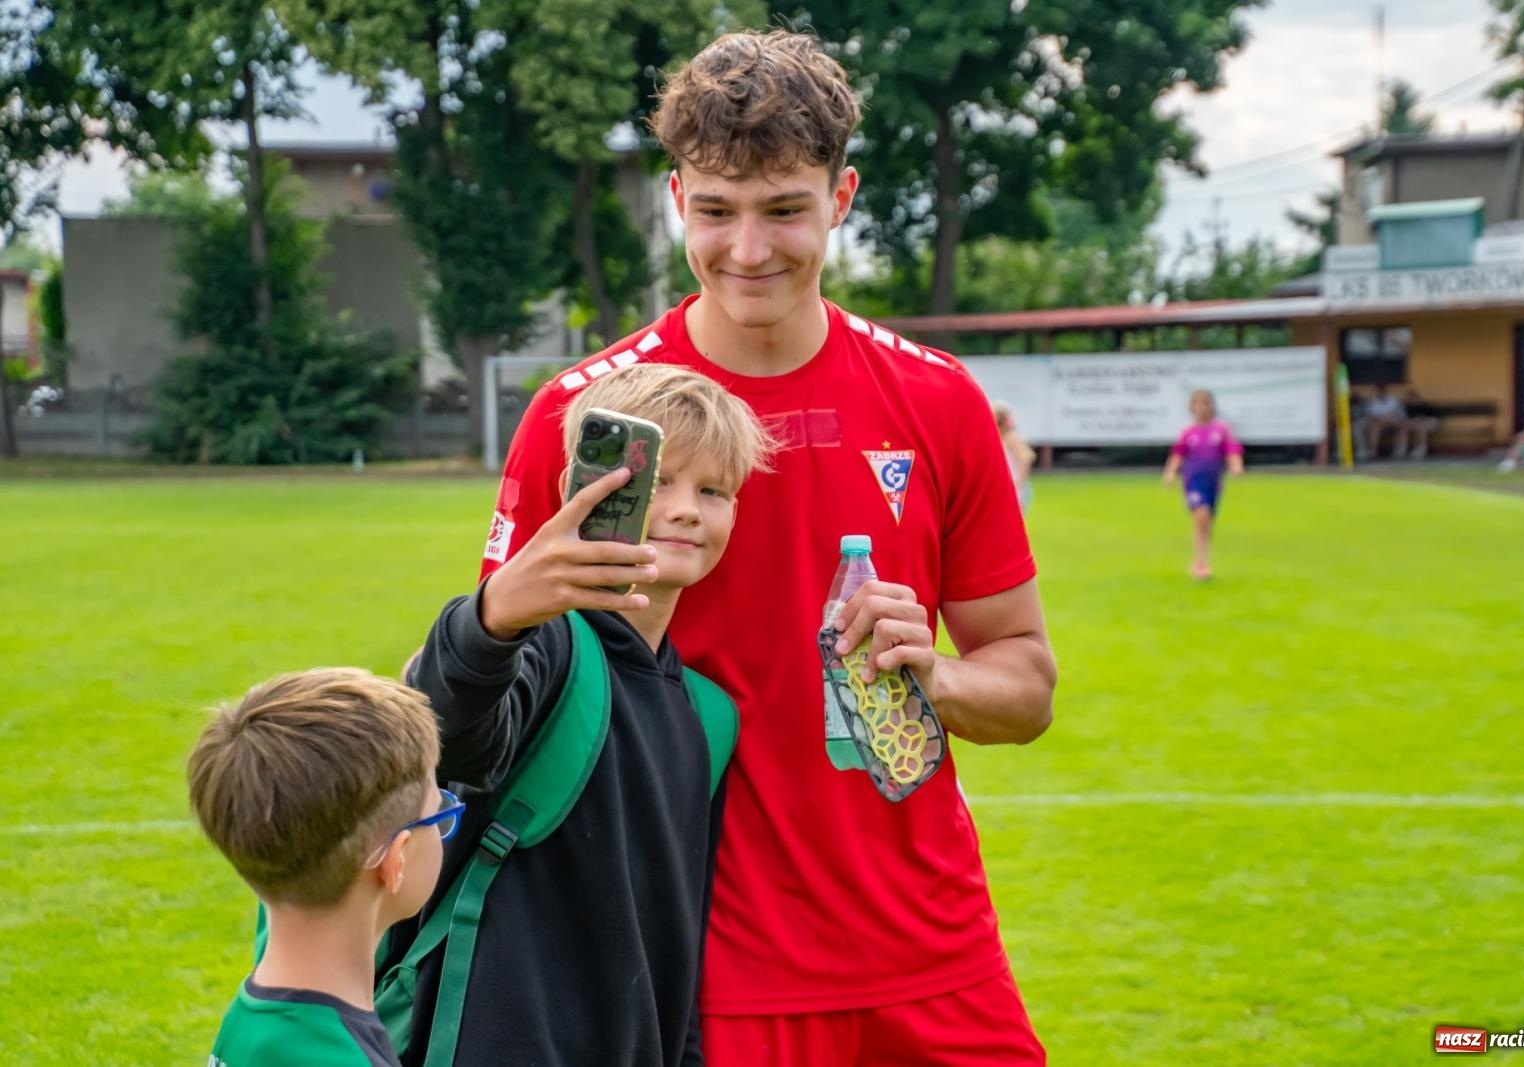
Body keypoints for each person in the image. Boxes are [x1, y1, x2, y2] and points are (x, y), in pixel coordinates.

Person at [483, 30, 1056, 1066]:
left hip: (931, 946)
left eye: (784, 209)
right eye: (715, 211)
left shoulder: (937, 401)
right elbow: (489, 706)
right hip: (704, 970)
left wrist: (933, 675)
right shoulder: (584, 417)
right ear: (675, 199)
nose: (748, 250)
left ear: (842, 197)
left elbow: (1025, 687)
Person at [398, 364, 774, 1065]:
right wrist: (491, 619)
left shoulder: (707, 716)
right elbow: (444, 736)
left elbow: (678, 935)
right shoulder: (543, 646)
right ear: (584, 488)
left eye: (713, 490)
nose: (687, 510)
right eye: (657, 482)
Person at [189, 668, 452, 1067]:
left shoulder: (262, 1015)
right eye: (439, 813)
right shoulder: (334, 1055)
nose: (443, 826)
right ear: (396, 859)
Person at [1162, 389, 1244, 581]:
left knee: (1207, 523)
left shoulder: (1221, 429)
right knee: (1201, 515)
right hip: (1193, 481)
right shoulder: (1188, 431)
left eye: (1205, 403)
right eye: (1197, 403)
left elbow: (1231, 450)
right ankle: (1200, 564)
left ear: (1211, 406)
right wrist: (1170, 472)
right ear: (1191, 407)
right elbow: (1178, 453)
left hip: (1213, 482)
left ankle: (1202, 561)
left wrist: (1236, 466)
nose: (1201, 407)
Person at [993, 401, 1037, 510]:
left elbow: (1026, 458)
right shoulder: (1002, 436)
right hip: (1008, 485)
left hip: (1015, 486)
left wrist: (1019, 483)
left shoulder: (1011, 437)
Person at [1361, 383, 1410, 459]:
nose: (1380, 393)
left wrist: (1388, 418)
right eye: (1378, 391)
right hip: (1378, 423)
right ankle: (1372, 451)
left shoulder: (1393, 399)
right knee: (1374, 427)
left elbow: (1398, 414)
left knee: (1403, 427)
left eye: (1382, 391)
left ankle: (1400, 451)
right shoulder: (1372, 401)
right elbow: (1371, 416)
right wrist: (1384, 418)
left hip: (1393, 422)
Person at [1401, 387, 1440, 460]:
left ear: (1416, 398)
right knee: (1405, 427)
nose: (1411, 400)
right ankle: (1402, 449)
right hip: (1416, 424)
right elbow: (1407, 418)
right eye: (1409, 398)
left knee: (1421, 426)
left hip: (1431, 422)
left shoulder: (1424, 405)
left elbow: (1433, 416)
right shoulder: (1408, 407)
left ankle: (1422, 449)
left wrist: (1421, 419)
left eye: (1412, 398)